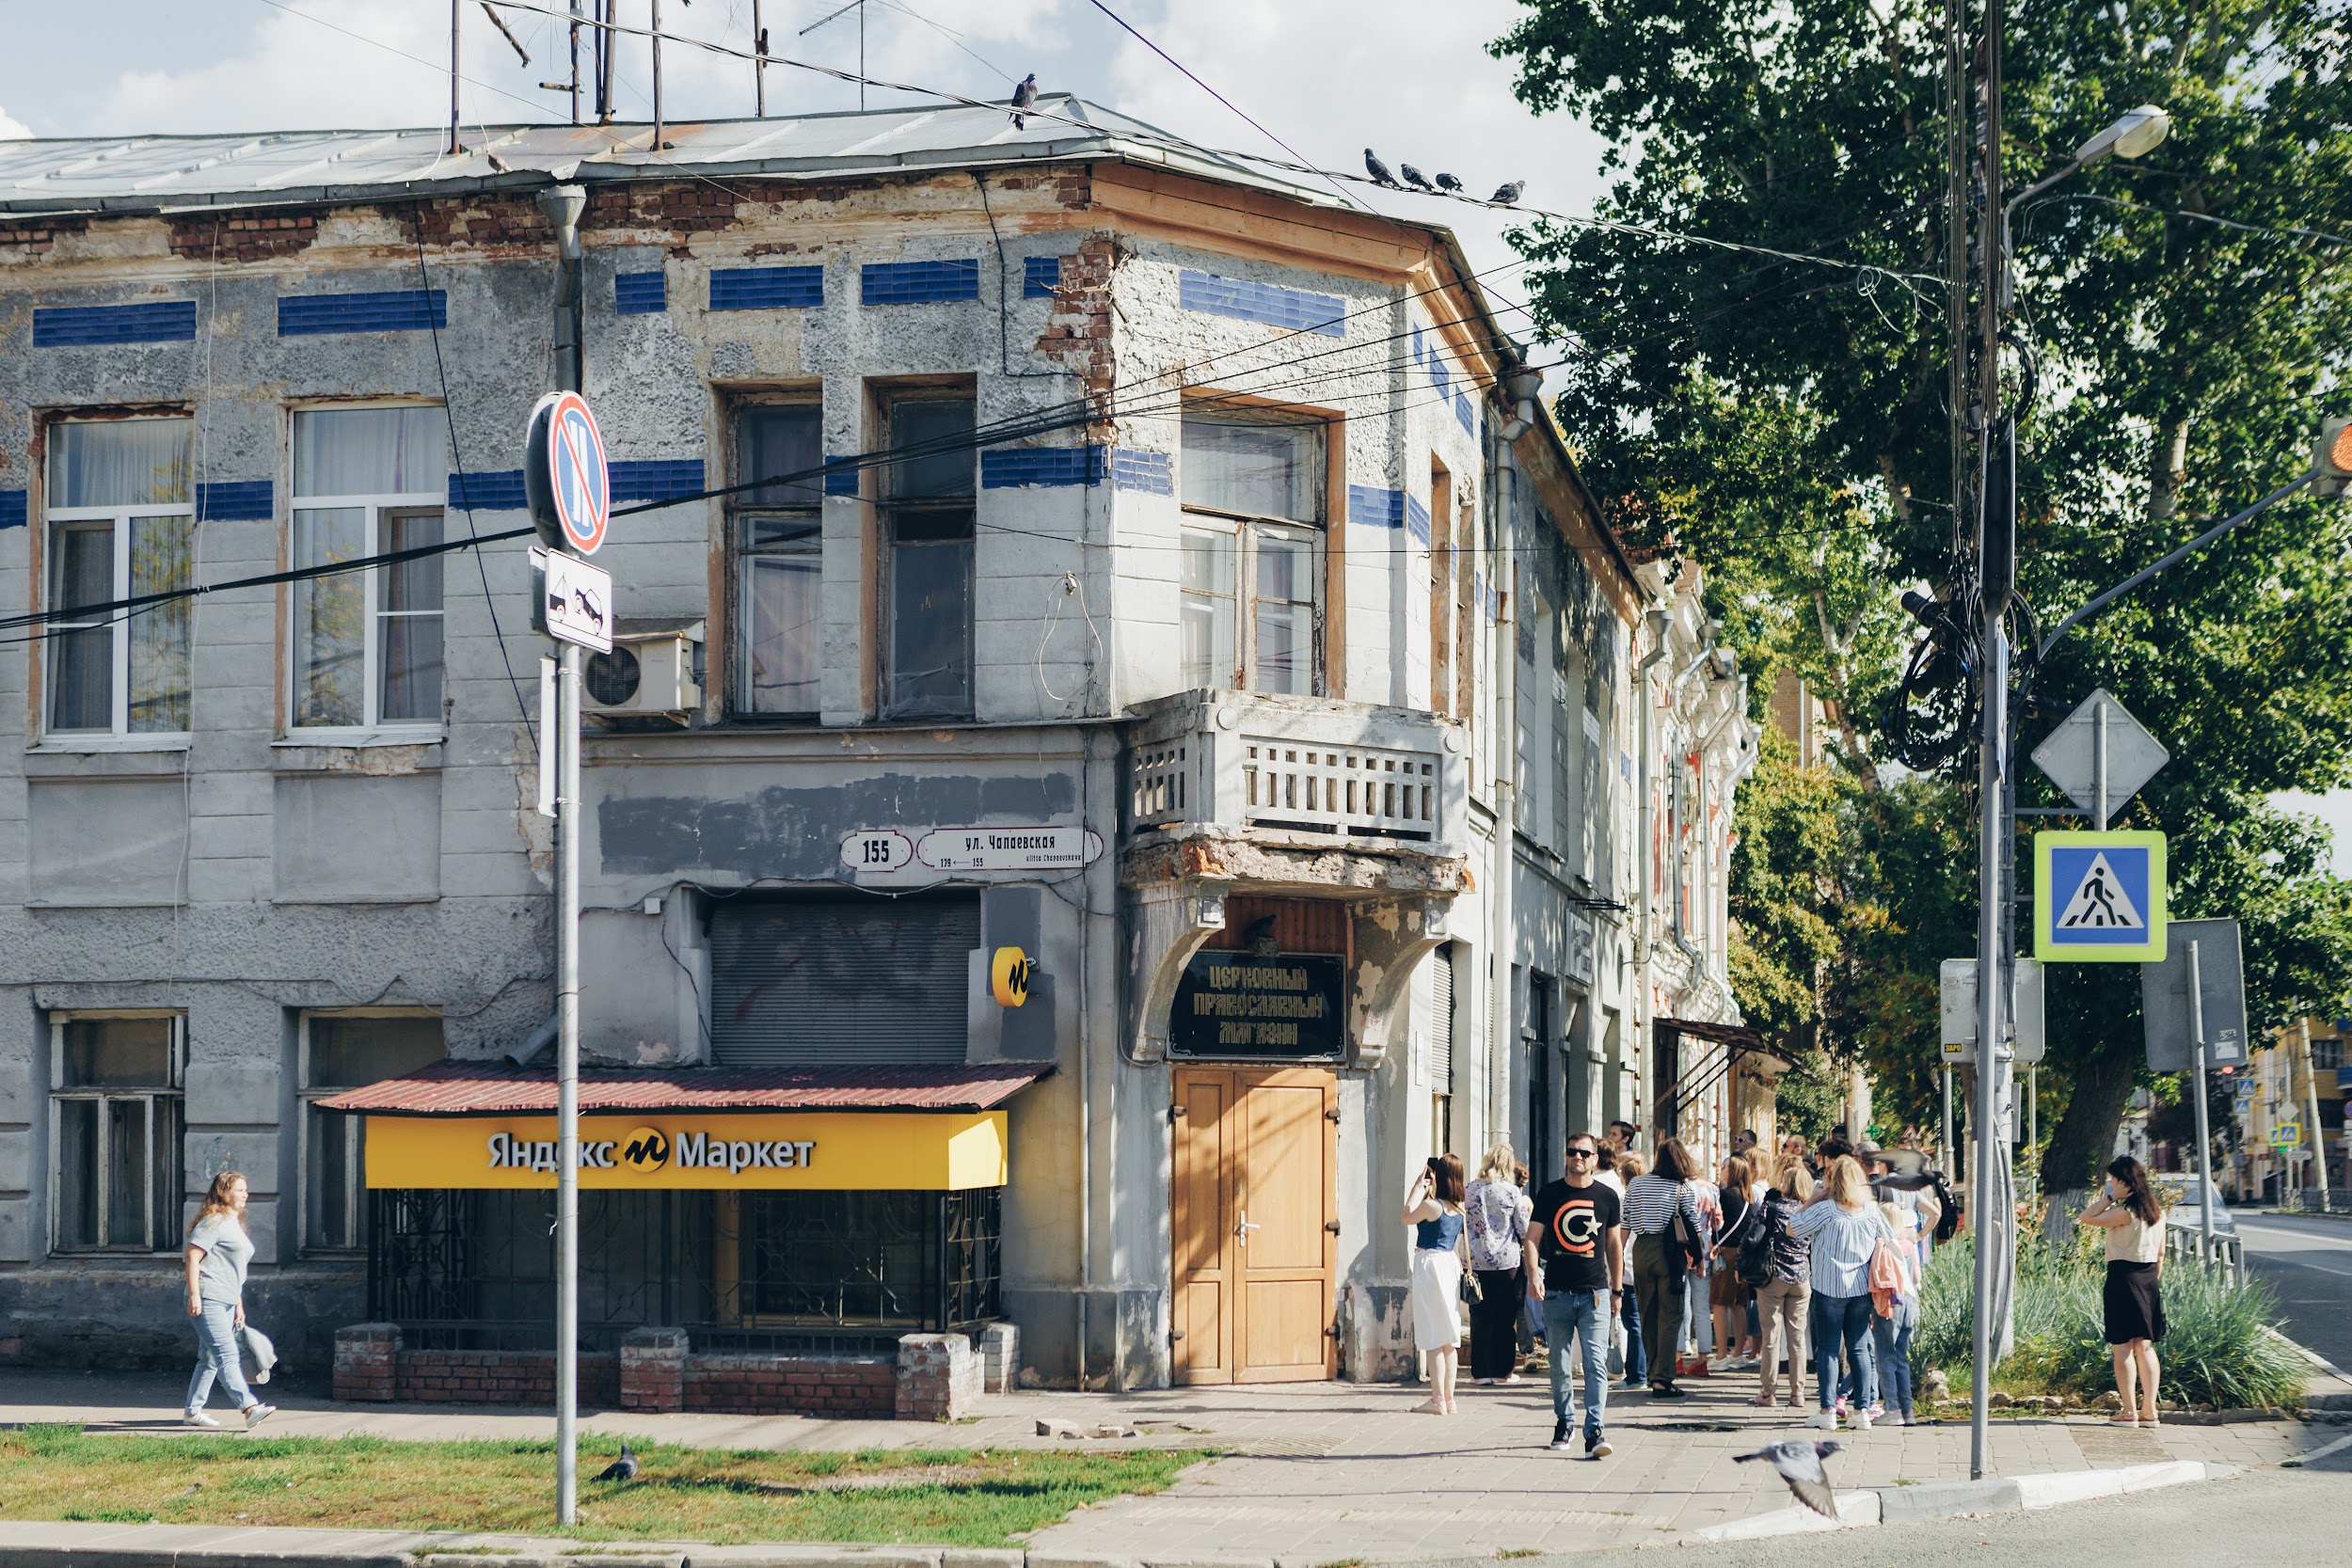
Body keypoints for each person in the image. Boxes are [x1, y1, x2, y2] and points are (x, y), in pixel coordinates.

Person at [1526, 1132, 1624, 1458]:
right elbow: (1531, 1239)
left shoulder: (1608, 1197)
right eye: (1572, 1152)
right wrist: (1532, 1277)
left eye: (1584, 1153)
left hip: (1594, 1293)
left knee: (1596, 1363)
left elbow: (1613, 1245)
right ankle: (1564, 1421)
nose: (1577, 1157)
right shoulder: (1550, 1193)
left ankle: (1594, 1431)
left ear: (1595, 1159)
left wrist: (1617, 1289)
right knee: (1559, 1363)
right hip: (1556, 1293)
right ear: (1566, 1156)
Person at [1789, 1154, 1894, 1432]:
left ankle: (1827, 1411)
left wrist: (1812, 1199)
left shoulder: (1826, 1210)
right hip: (1861, 1289)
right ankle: (1861, 1411)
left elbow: (1791, 1228)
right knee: (1859, 1348)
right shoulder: (1871, 1211)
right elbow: (1890, 1240)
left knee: (1827, 1349)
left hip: (1828, 1288)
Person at [183, 1170, 276, 1430]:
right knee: (226, 1354)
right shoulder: (212, 1222)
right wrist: (194, 1295)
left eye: (246, 1189)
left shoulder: (233, 1223)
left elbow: (230, 1266)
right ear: (224, 1192)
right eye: (240, 1189)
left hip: (225, 1298)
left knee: (210, 1358)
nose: (246, 1194)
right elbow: (192, 1257)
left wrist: (238, 1303)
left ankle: (193, 1412)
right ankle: (249, 1407)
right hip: (207, 1296)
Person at [2081, 1156, 2168, 1427]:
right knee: (2145, 1346)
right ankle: (2150, 1411)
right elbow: (2162, 1253)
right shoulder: (2157, 1212)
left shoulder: (2123, 1212)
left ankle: (2129, 1412)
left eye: (2112, 1180)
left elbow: (2085, 1217)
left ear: (2122, 1181)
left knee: (2123, 1348)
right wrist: (2151, 1281)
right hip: (2149, 1279)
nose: (2109, 1183)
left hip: (2123, 1278)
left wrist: (2108, 1197)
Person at [1623, 1136, 1710, 1397]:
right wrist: (1700, 1261)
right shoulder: (1681, 1188)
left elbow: (1625, 1222)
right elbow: (1693, 1227)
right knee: (1670, 1315)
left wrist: (1616, 1264)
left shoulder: (1636, 1183)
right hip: (1669, 1253)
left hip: (1641, 1250)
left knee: (1646, 1313)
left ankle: (1652, 1372)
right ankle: (1663, 1378)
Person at [1404, 1152, 1470, 1413]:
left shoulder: (1433, 1206)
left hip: (1430, 1264)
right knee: (1449, 1337)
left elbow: (1406, 1216)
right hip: (1449, 1264)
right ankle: (1449, 1398)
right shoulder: (1459, 1209)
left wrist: (1417, 1188)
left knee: (1432, 1333)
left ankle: (1436, 1400)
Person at [1465, 1143, 1533, 1386]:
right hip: (1507, 1262)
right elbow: (1523, 1228)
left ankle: (1481, 1372)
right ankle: (1503, 1371)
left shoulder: (1470, 1189)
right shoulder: (1511, 1192)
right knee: (1505, 1318)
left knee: (1480, 1317)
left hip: (1476, 1262)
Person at [1751, 1157, 1814, 1409]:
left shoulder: (1772, 1207)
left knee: (1771, 1337)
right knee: (1797, 1338)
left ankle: (1769, 1392)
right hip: (1802, 1277)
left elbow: (1754, 1235)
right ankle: (1798, 1393)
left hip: (1774, 1275)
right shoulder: (1810, 1210)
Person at [1872, 1196, 1923, 1425]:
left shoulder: (1883, 1244)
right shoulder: (1910, 1245)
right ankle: (1908, 1409)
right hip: (1910, 1300)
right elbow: (1917, 1277)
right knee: (1902, 1357)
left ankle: (1892, 1409)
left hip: (1890, 1300)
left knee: (1885, 1355)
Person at [1708, 1154, 1759, 1370]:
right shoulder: (1750, 1197)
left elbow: (1716, 1223)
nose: (1721, 1169)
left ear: (1733, 1171)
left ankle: (1721, 1355)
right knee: (1739, 1305)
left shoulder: (1725, 1195)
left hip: (1727, 1254)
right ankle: (1738, 1353)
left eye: (1725, 1167)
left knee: (1719, 1303)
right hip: (1744, 1255)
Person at [1613, 1148, 1648, 1386]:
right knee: (1641, 1321)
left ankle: (1637, 1374)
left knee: (1633, 1322)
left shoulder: (1626, 1200)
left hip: (1629, 1268)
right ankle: (1640, 1372)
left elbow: (1620, 1238)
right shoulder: (1649, 1197)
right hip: (1646, 1265)